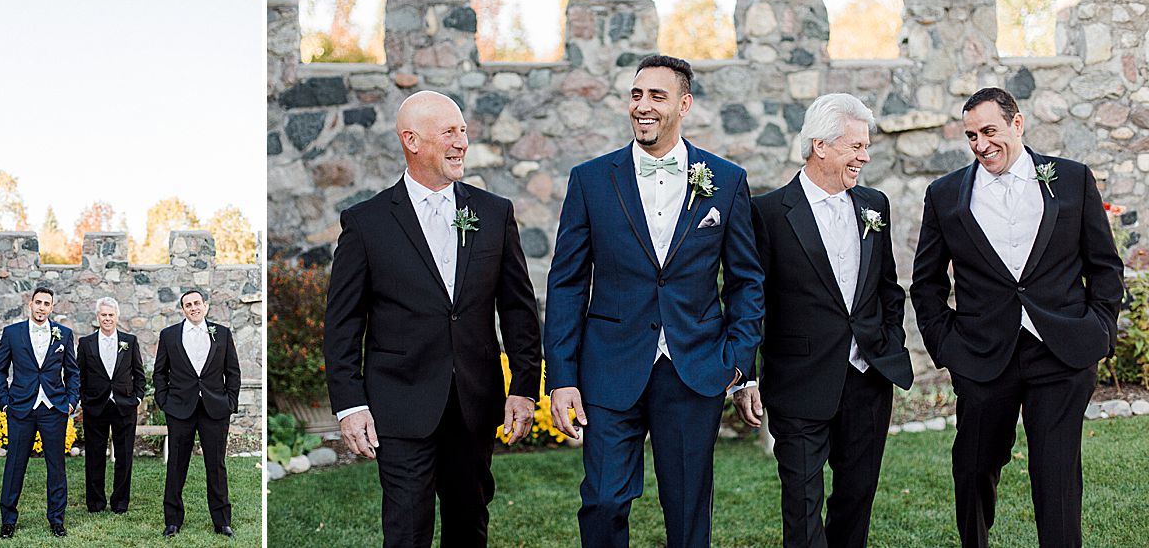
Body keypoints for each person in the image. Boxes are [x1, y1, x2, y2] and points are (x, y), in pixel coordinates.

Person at [543, 55, 764, 547]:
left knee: (688, 513)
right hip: (609, 366)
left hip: (694, 368)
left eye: (656, 96)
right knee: (602, 500)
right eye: (636, 95)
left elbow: (747, 281)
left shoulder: (726, 180)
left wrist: (738, 362)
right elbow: (567, 284)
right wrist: (561, 377)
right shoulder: (591, 180)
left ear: (684, 104)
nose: (642, 106)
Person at [322, 90, 542, 547]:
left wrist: (524, 386)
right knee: (406, 532)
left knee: (469, 525)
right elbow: (343, 325)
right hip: (399, 405)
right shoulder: (366, 223)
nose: (462, 141)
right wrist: (350, 405)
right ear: (412, 140)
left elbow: (519, 309)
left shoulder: (493, 213)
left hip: (474, 403)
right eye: (449, 132)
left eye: (463, 131)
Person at [910, 87, 1124, 547]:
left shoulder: (1070, 179)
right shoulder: (945, 194)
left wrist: (1101, 329)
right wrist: (948, 347)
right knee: (972, 467)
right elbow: (926, 283)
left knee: (1056, 475)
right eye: (971, 136)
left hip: (1061, 354)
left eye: (990, 131)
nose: (981, 145)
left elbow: (1104, 265)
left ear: (1018, 124)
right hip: (983, 356)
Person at [735, 93, 914, 547]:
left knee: (856, 498)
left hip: (868, 379)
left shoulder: (875, 204)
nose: (865, 156)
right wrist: (745, 377)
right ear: (821, 145)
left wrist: (888, 343)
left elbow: (889, 287)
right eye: (856, 146)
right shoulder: (769, 213)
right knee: (801, 502)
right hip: (799, 382)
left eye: (865, 146)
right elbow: (747, 299)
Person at [0, 286, 78, 539]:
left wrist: (71, 401)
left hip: (54, 410)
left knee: (57, 467)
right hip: (20, 408)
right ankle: (8, 520)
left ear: (52, 307)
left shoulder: (63, 334)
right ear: (30, 304)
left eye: (47, 304)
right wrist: (5, 402)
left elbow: (73, 372)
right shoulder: (12, 333)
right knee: (14, 465)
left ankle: (56, 519)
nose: (41, 307)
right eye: (38, 302)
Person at [154, 289, 240, 538]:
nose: (193, 308)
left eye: (196, 303)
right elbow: (160, 373)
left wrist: (230, 402)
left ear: (206, 305)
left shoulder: (221, 333)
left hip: (215, 409)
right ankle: (172, 521)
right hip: (179, 409)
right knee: (176, 466)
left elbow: (232, 371)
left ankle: (222, 521)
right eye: (187, 305)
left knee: (216, 466)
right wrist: (165, 402)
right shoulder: (169, 335)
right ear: (183, 309)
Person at [76, 296, 145, 514]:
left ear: (117, 317)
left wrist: (138, 398)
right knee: (94, 456)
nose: (107, 319)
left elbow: (139, 375)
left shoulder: (130, 341)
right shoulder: (85, 343)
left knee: (124, 456)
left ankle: (120, 502)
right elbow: (79, 375)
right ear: (98, 317)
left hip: (124, 406)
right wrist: (83, 400)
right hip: (95, 407)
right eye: (103, 315)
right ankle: (95, 503)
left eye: (111, 315)